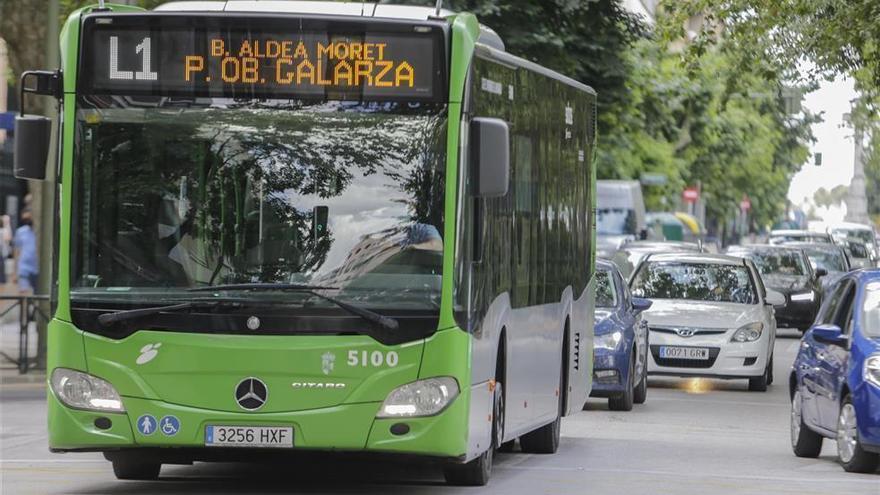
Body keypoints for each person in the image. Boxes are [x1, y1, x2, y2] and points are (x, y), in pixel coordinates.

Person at [12, 209, 38, 294]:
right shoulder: (20, 231)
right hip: (24, 266)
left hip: (37, 267)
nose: (27, 221)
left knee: (37, 292)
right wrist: (15, 272)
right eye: (25, 219)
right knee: (24, 292)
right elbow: (16, 251)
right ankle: (24, 306)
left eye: (29, 218)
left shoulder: (39, 231)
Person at [0, 215, 11, 285]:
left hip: (2, 250)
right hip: (3, 251)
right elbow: (8, 239)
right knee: (2, 266)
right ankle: (2, 280)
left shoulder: (4, 230)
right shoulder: (5, 230)